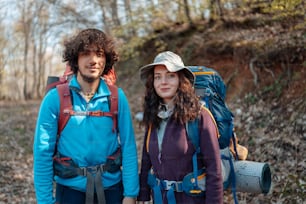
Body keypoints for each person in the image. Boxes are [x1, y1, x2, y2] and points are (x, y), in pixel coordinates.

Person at [33, 28, 139, 204]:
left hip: (112, 189)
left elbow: (128, 146)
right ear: (75, 59)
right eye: (86, 54)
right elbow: (42, 152)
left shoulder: (117, 97)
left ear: (107, 59)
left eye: (99, 54)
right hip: (70, 191)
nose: (94, 60)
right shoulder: (55, 99)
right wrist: (45, 201)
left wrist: (130, 193)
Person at [137, 51, 223, 204]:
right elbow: (146, 160)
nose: (163, 81)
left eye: (170, 75)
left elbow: (214, 170)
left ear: (180, 80)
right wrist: (142, 195)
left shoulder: (200, 116)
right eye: (158, 77)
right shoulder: (154, 115)